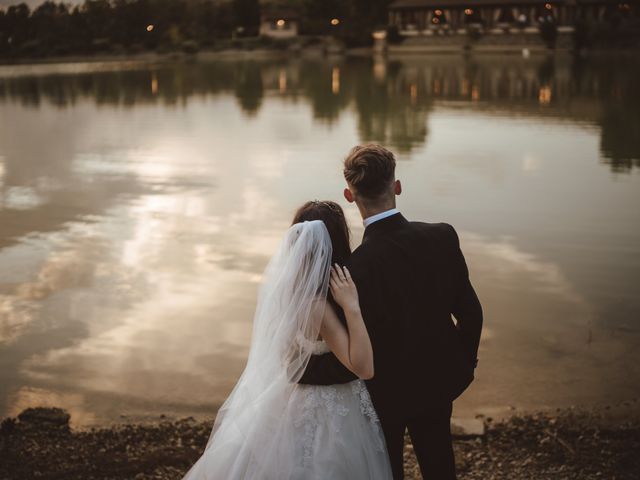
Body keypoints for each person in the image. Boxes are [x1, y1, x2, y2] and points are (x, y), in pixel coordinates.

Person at [299, 144, 483, 480]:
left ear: (349, 195)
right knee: (440, 463)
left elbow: (350, 359)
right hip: (439, 381)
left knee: (387, 470)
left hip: (384, 396)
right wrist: (463, 365)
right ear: (397, 186)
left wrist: (299, 372)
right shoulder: (442, 236)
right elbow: (471, 314)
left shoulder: (352, 271)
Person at [182, 201, 393, 480]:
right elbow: (363, 367)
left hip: (293, 397)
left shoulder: (289, 293)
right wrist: (351, 306)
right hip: (327, 410)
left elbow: (287, 356)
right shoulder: (317, 306)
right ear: (338, 242)